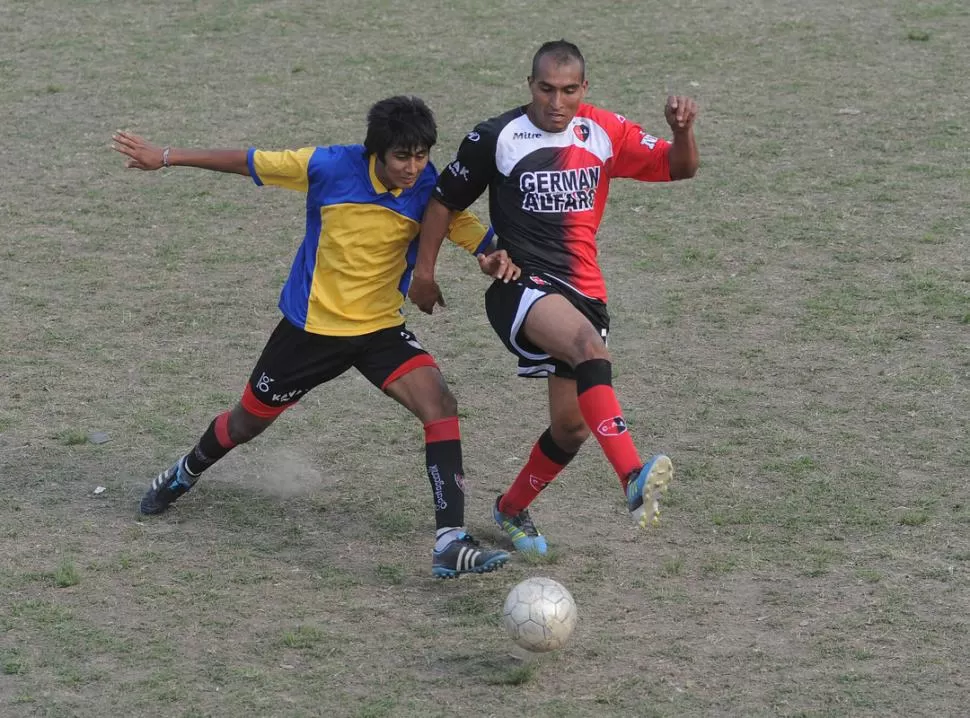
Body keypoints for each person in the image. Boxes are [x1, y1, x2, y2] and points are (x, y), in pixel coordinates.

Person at [112, 95, 519, 578]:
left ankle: (449, 540)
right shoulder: (327, 166)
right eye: (402, 157)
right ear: (376, 153)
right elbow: (248, 161)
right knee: (244, 425)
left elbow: (473, 233)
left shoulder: (429, 190)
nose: (413, 168)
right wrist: (165, 156)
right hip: (310, 335)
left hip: (378, 332)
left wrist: (492, 258)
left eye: (421, 155)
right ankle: (186, 470)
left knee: (440, 405)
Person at [407, 41, 699, 555]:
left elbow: (680, 167)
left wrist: (682, 132)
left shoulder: (605, 131)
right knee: (589, 349)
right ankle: (632, 476)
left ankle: (512, 507)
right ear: (530, 86)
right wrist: (424, 274)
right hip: (520, 286)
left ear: (584, 89)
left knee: (571, 428)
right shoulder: (497, 136)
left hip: (584, 292)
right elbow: (442, 202)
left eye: (568, 90)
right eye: (546, 89)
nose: (556, 102)